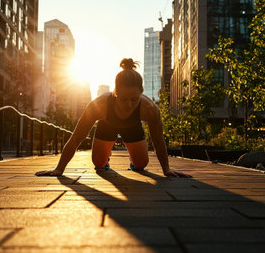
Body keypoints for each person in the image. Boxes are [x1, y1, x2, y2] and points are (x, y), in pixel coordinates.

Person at [35, 58, 191, 178]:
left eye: (134, 99)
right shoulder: (99, 105)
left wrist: (167, 170)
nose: (129, 105)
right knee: (99, 165)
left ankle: (133, 159)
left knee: (141, 165)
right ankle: (106, 157)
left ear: (141, 94)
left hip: (132, 127)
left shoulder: (149, 109)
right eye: (123, 99)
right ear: (115, 93)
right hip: (107, 125)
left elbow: (158, 141)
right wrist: (59, 169)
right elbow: (77, 138)